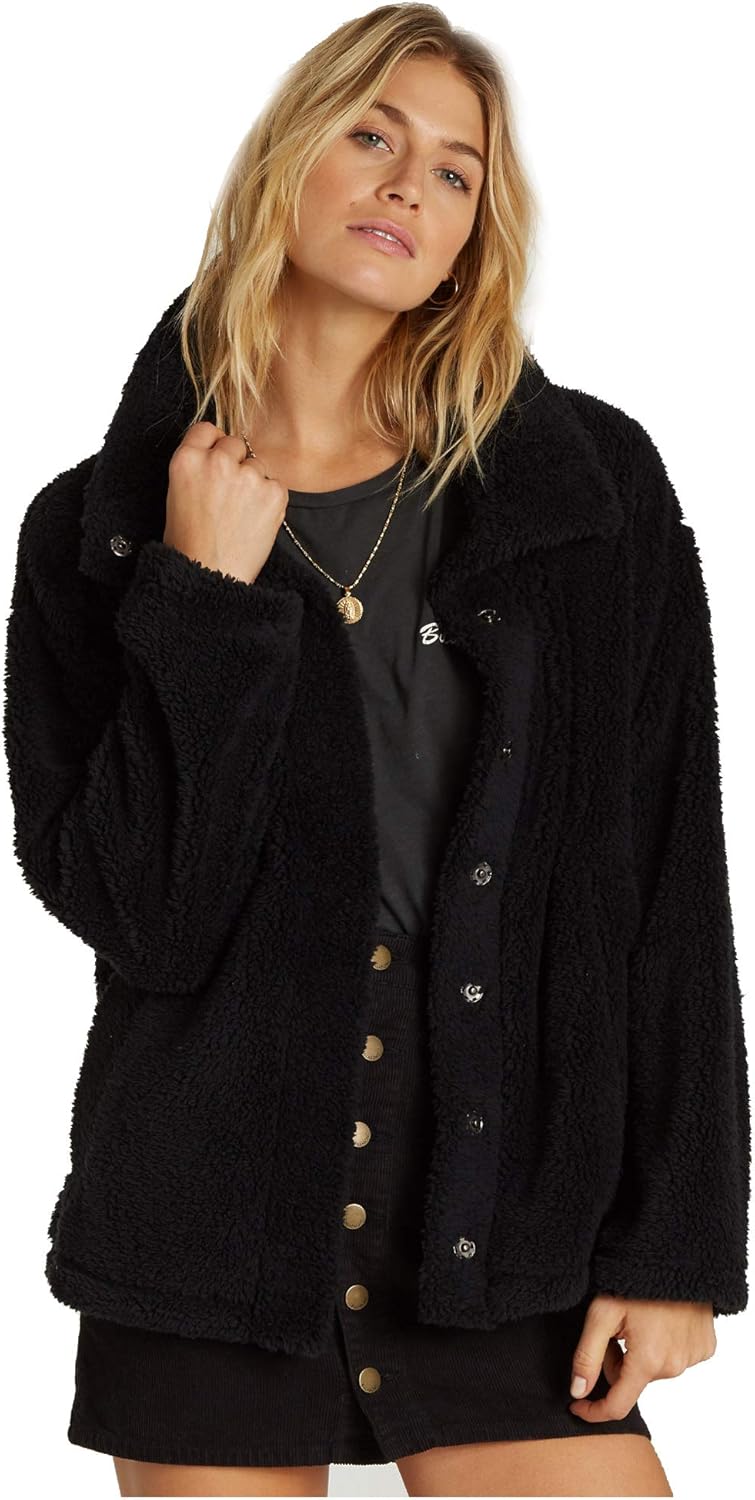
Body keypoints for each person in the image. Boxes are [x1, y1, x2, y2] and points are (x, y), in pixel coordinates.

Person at [4, 5, 748, 1497]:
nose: (412, 185)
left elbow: (668, 877)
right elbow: (141, 915)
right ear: (287, 162)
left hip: (507, 1200)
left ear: (474, 238)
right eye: (373, 136)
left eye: (456, 172)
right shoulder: (101, 525)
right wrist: (201, 600)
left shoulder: (584, 491)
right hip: (213, 1214)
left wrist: (675, 1245)